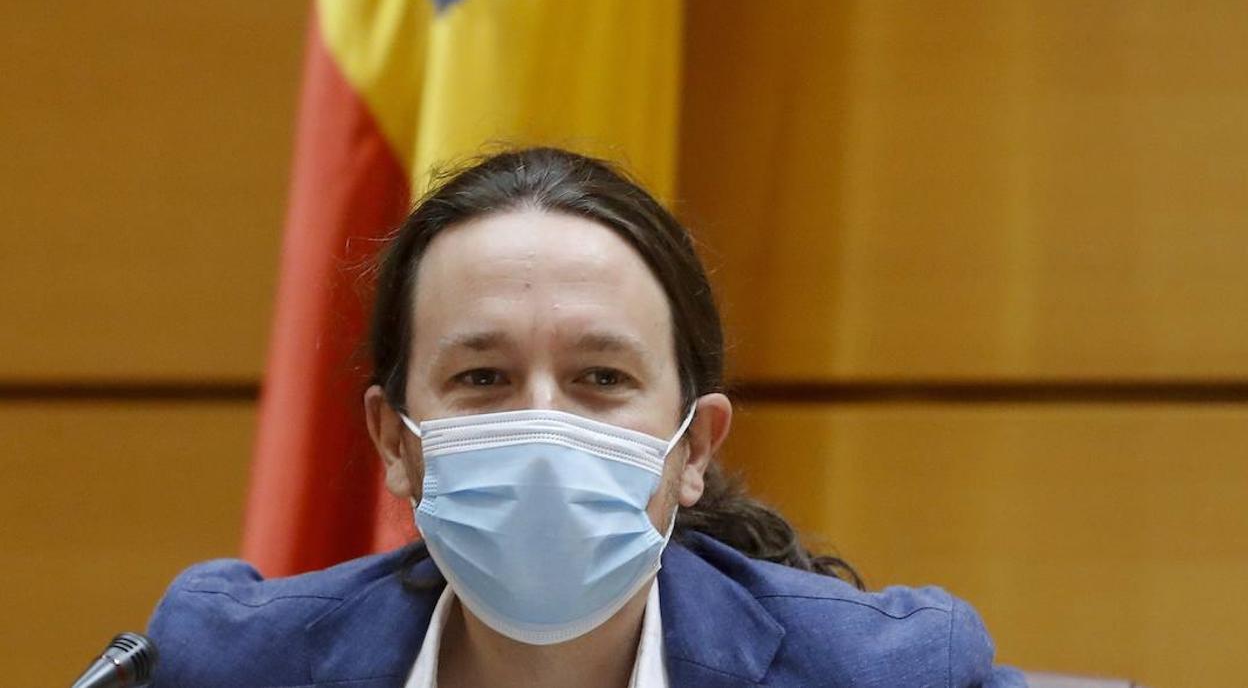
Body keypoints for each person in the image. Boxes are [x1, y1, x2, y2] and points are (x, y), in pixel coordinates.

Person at [148, 147, 1025, 687]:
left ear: (694, 448)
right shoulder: (229, 666)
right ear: (394, 440)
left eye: (602, 377)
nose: (542, 428)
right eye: (483, 377)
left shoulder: (887, 675)